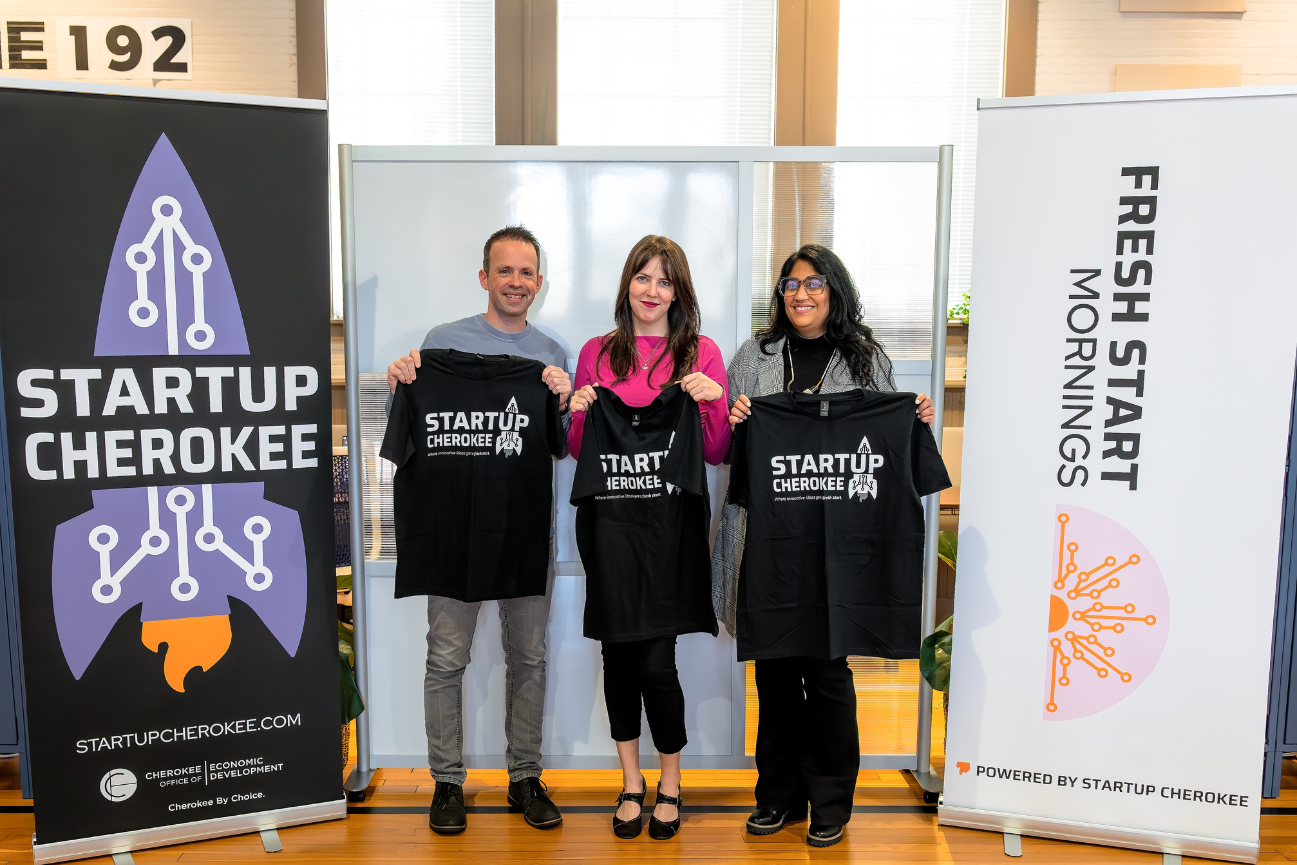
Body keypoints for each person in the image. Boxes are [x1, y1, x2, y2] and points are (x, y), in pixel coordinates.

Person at [714, 243, 937, 848]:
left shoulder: (865, 360)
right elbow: (724, 447)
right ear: (779, 296)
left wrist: (912, 413)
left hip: (837, 548)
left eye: (814, 284)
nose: (801, 294)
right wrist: (735, 418)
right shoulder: (754, 358)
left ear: (834, 292)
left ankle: (832, 800)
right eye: (790, 285)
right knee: (774, 673)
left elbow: (891, 446)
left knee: (828, 672)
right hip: (769, 540)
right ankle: (777, 796)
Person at [386, 225, 572, 835]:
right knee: (446, 657)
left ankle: (525, 777)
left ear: (538, 282)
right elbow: (406, 429)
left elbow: (565, 445)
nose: (515, 281)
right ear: (485, 276)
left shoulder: (551, 353)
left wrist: (564, 397)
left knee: (532, 656)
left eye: (526, 272)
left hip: (523, 527)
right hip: (452, 530)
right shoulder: (439, 345)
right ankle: (446, 783)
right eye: (505, 270)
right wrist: (401, 381)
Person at [567, 235, 730, 840]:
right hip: (609, 532)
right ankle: (630, 783)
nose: (651, 291)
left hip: (671, 534)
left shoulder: (702, 353)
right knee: (617, 660)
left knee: (658, 664)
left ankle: (671, 782)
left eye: (663, 280)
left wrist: (715, 402)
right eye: (642, 277)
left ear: (678, 291)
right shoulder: (598, 352)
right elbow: (580, 450)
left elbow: (715, 452)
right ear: (626, 285)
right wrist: (580, 409)